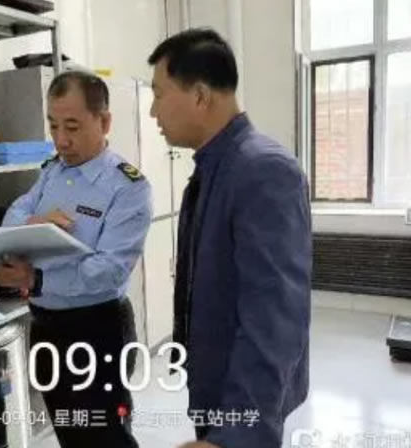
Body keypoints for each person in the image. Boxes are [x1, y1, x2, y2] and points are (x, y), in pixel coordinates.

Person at [147, 29, 312, 448]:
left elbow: (275, 319)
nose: (152, 111)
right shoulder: (213, 169)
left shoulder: (263, 170)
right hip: (215, 385)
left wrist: (235, 436)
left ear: (200, 96)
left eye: (159, 94)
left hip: (240, 402)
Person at [0, 70, 152, 448]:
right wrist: (33, 222)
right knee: (70, 432)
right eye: (53, 126)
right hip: (45, 326)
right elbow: (15, 213)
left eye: (72, 127)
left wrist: (37, 279)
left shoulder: (128, 187)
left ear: (104, 122)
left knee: (106, 437)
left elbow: (110, 271)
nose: (61, 140)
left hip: (96, 329)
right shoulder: (51, 171)